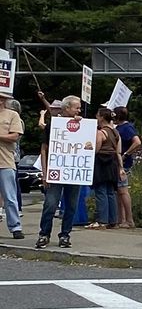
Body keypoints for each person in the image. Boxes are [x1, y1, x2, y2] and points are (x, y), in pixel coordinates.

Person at [36, 95, 83, 249]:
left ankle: (65, 235)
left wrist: (82, 125)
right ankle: (44, 234)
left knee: (71, 206)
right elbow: (44, 149)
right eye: (77, 107)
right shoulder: (53, 124)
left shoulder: (83, 126)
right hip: (55, 172)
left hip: (73, 172)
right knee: (50, 204)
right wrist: (45, 172)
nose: (79, 110)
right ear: (67, 108)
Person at [87, 107, 122, 230]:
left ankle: (102, 220)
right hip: (112, 162)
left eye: (97, 115)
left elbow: (96, 149)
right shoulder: (115, 132)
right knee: (110, 192)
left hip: (101, 162)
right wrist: (121, 167)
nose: (96, 117)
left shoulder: (101, 132)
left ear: (101, 117)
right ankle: (113, 220)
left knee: (101, 191)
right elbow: (118, 151)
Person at [0, 92, 25, 239]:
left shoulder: (12, 115)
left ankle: (15, 226)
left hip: (5, 161)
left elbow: (15, 136)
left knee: (10, 196)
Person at [113, 107, 139, 228]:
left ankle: (129, 219)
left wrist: (126, 154)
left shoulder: (127, 128)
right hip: (119, 162)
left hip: (123, 163)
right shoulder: (120, 127)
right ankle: (121, 218)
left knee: (123, 191)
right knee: (119, 191)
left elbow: (137, 142)